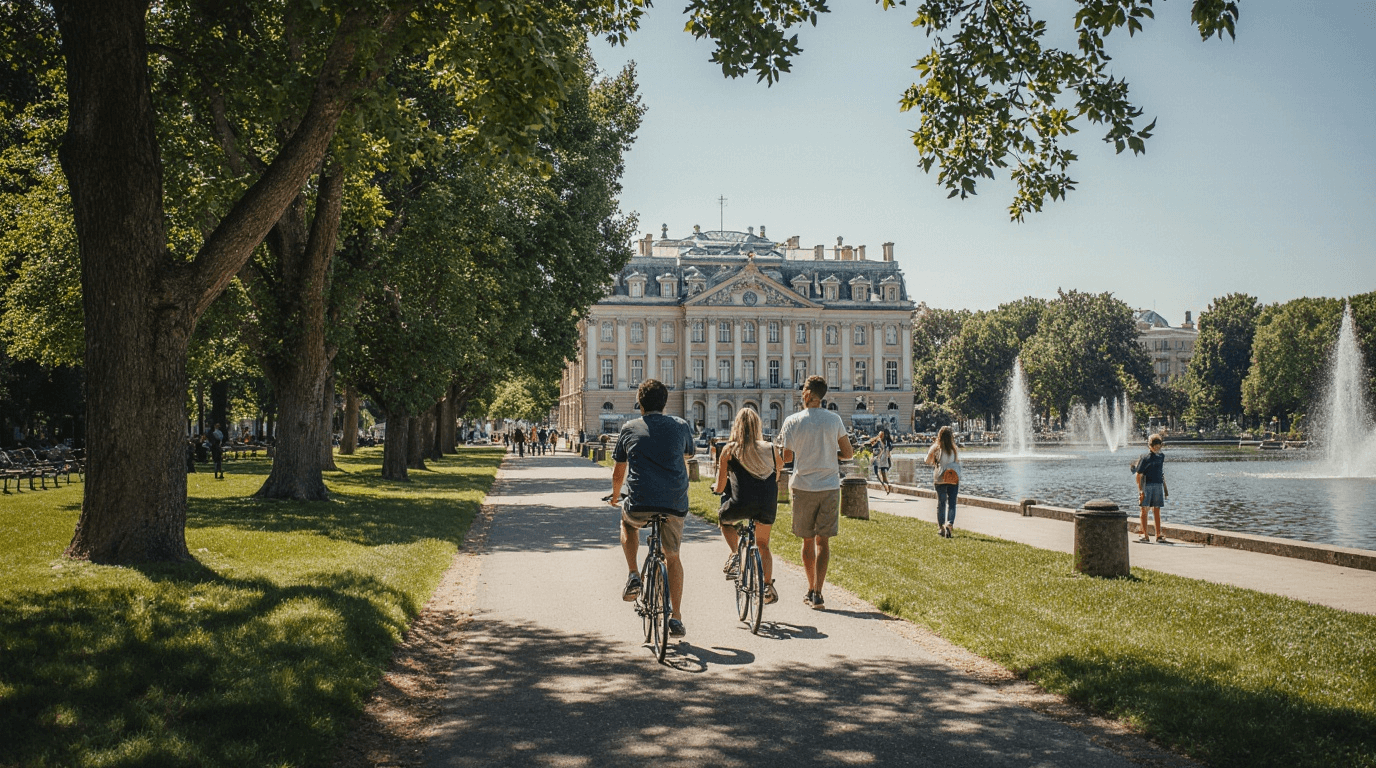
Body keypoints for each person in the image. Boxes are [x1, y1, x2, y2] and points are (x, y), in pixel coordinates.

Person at [610, 379, 696, 638]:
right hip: (674, 502)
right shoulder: (680, 425)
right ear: (665, 402)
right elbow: (687, 456)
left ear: (640, 404)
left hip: (640, 502)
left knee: (627, 522)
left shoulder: (629, 428)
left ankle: (634, 573)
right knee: (673, 557)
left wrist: (615, 496)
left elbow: (618, 472)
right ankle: (677, 617)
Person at [777, 375, 852, 610]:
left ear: (808, 394)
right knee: (824, 542)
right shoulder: (834, 419)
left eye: (803, 390)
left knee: (807, 542)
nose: (801, 393)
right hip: (829, 486)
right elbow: (848, 453)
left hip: (803, 486)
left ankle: (810, 589)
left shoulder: (792, 421)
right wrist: (832, 454)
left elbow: (787, 458)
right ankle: (819, 591)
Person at [713, 408, 783, 605]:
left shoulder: (730, 450)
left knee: (724, 519)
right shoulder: (771, 448)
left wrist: (717, 489)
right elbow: (777, 473)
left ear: (736, 426)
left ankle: (736, 554)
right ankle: (767, 586)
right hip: (767, 504)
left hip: (741, 503)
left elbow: (719, 487)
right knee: (763, 545)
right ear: (757, 426)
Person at [925, 426, 961, 538]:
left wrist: (935, 462)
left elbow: (927, 461)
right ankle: (949, 524)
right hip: (952, 477)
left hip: (940, 477)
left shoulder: (936, 448)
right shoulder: (954, 449)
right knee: (952, 503)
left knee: (941, 503)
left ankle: (941, 528)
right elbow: (956, 461)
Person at [1135, 433, 1170, 543]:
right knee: (1144, 510)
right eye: (1154, 446)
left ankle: (1157, 535)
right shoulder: (1145, 458)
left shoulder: (1161, 457)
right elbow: (1138, 475)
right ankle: (1146, 535)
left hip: (1157, 485)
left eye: (1158, 445)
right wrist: (1140, 490)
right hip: (1147, 485)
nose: (1156, 448)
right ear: (1150, 446)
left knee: (1156, 510)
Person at [865, 427, 894, 494]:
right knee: (883, 475)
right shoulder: (887, 443)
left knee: (878, 475)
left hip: (879, 461)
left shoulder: (878, 442)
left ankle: (886, 486)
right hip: (885, 461)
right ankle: (887, 485)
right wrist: (889, 462)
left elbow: (871, 447)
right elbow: (889, 453)